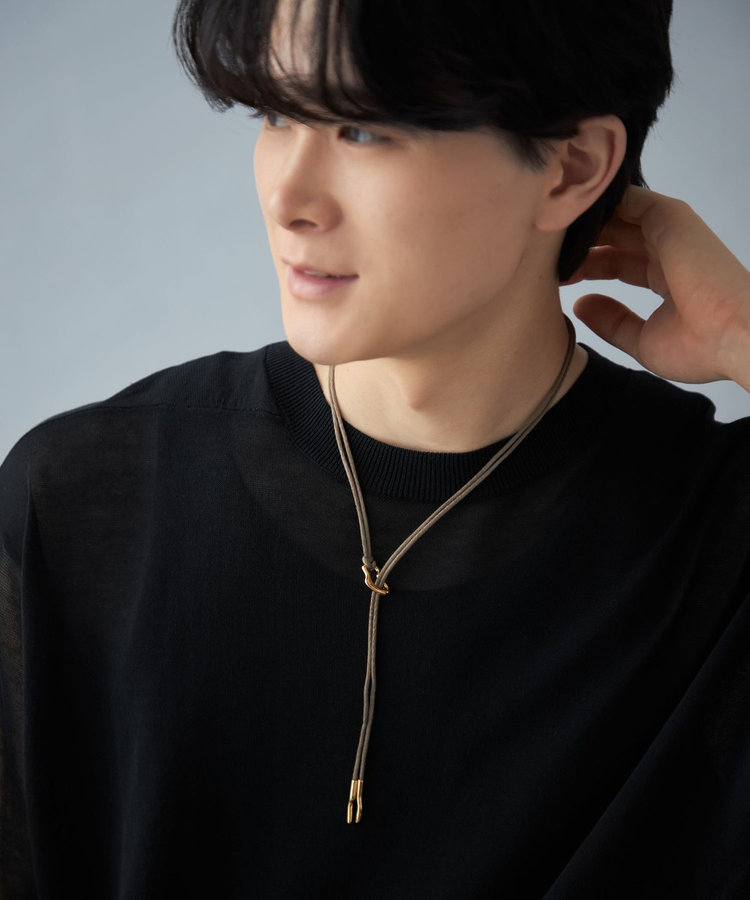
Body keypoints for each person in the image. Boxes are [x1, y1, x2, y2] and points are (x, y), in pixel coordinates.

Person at [1, 0, 748, 896]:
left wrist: (746, 335)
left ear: (572, 167)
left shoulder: (718, 537)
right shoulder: (84, 500)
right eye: (275, 116)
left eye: (361, 130)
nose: (287, 200)